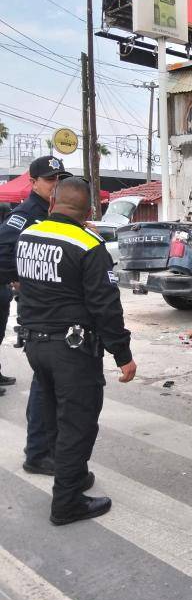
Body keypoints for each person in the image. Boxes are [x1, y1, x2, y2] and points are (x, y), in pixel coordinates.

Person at [18, 177, 136, 525]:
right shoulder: (88, 244)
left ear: (53, 203)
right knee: (77, 424)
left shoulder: (29, 235)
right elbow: (106, 307)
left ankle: (73, 475)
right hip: (71, 349)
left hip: (35, 344)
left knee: (55, 413)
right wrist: (122, 354)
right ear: (89, 212)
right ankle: (67, 503)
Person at [0, 155, 71, 469]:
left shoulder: (54, 213)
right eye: (50, 180)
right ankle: (38, 454)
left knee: (51, 386)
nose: (56, 185)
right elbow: (4, 254)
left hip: (54, 312)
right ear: (34, 182)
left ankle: (46, 449)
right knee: (45, 385)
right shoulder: (26, 214)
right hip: (38, 315)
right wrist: (19, 279)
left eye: (59, 179)